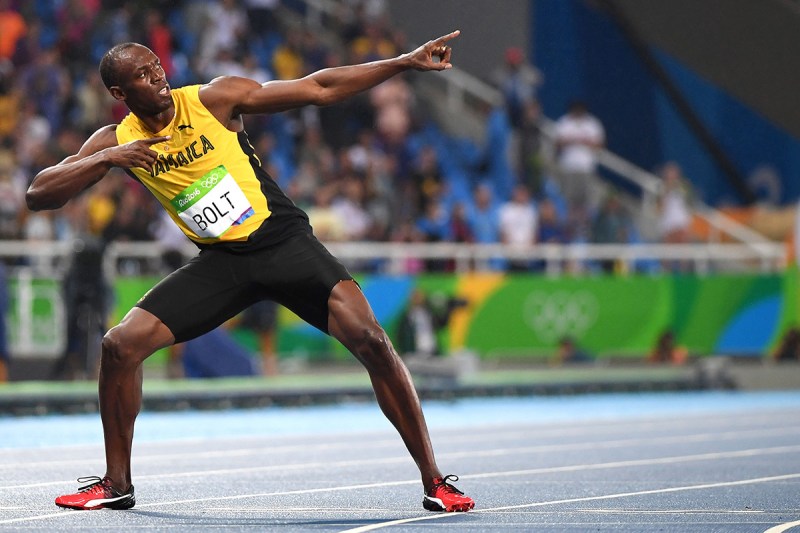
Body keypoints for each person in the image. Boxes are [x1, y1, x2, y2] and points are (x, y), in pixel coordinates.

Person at [26, 31, 474, 513]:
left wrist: (404, 62)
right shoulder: (118, 140)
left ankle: (435, 480)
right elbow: (38, 194)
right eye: (142, 74)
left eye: (157, 66)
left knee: (372, 340)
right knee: (119, 346)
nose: (158, 76)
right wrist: (108, 157)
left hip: (283, 243)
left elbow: (318, 87)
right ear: (119, 94)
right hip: (222, 264)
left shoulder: (214, 99)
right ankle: (117, 484)